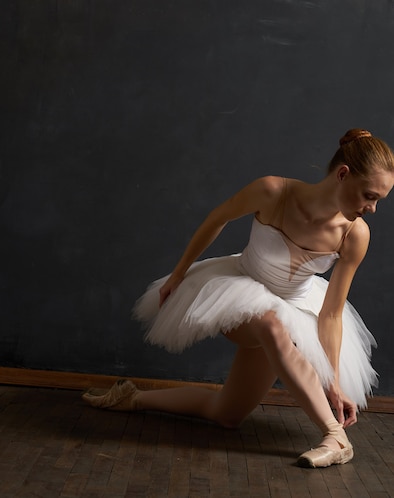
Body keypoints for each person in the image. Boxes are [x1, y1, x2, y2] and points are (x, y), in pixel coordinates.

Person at [83, 129, 394, 468]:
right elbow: (217, 218)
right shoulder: (273, 191)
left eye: (379, 200)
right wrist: (178, 274)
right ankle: (336, 437)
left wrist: (332, 382)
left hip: (296, 310)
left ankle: (133, 398)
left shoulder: (354, 234)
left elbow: (331, 314)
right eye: (369, 195)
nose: (373, 208)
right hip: (242, 291)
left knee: (227, 414)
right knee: (271, 324)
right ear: (343, 174)